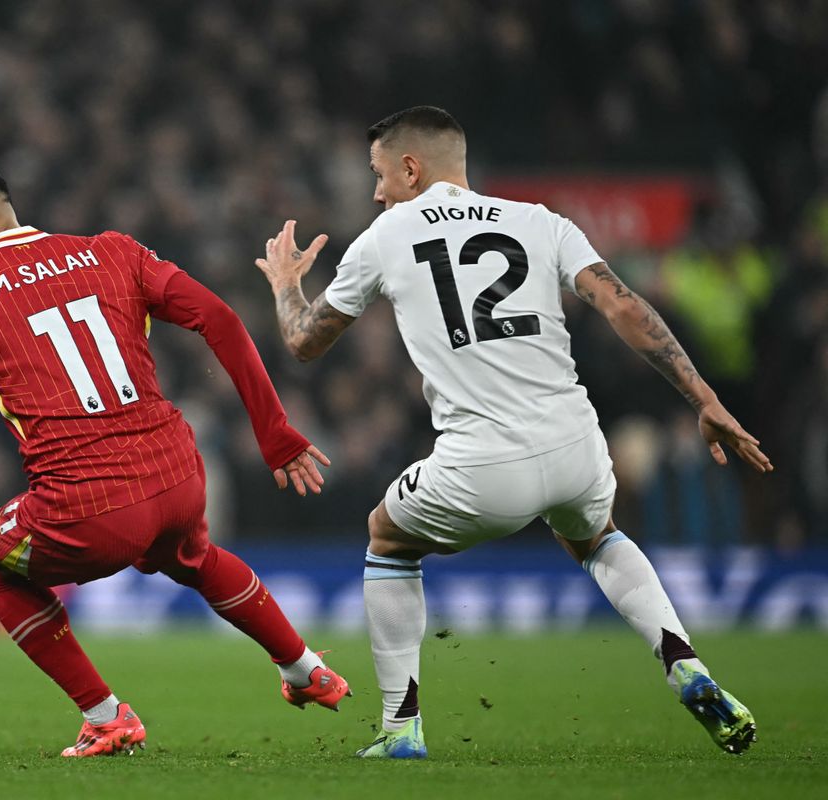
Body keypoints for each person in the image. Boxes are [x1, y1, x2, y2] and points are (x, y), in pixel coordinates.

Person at [254, 106, 772, 759]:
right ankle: (681, 659)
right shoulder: (540, 221)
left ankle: (400, 728)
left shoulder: (388, 235)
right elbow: (623, 305)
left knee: (385, 535)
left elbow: (303, 342)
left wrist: (285, 287)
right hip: (576, 444)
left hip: (484, 463)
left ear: (411, 169)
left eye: (380, 175)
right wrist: (704, 397)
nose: (378, 191)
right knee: (597, 536)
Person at [0, 162, 349, 757]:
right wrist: (274, 432)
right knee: (192, 556)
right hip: (176, 475)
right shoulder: (113, 251)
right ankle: (304, 668)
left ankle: (106, 716)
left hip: (88, 507)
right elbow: (219, 318)